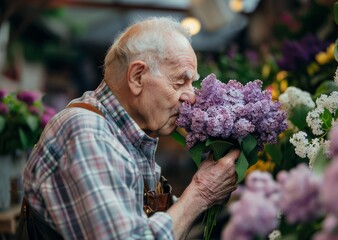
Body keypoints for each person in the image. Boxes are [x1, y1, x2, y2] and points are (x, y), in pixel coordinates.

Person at [20, 17, 240, 240]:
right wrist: (201, 193)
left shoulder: (127, 136)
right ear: (137, 77)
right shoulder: (87, 132)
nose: (192, 97)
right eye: (179, 82)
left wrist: (209, 192)